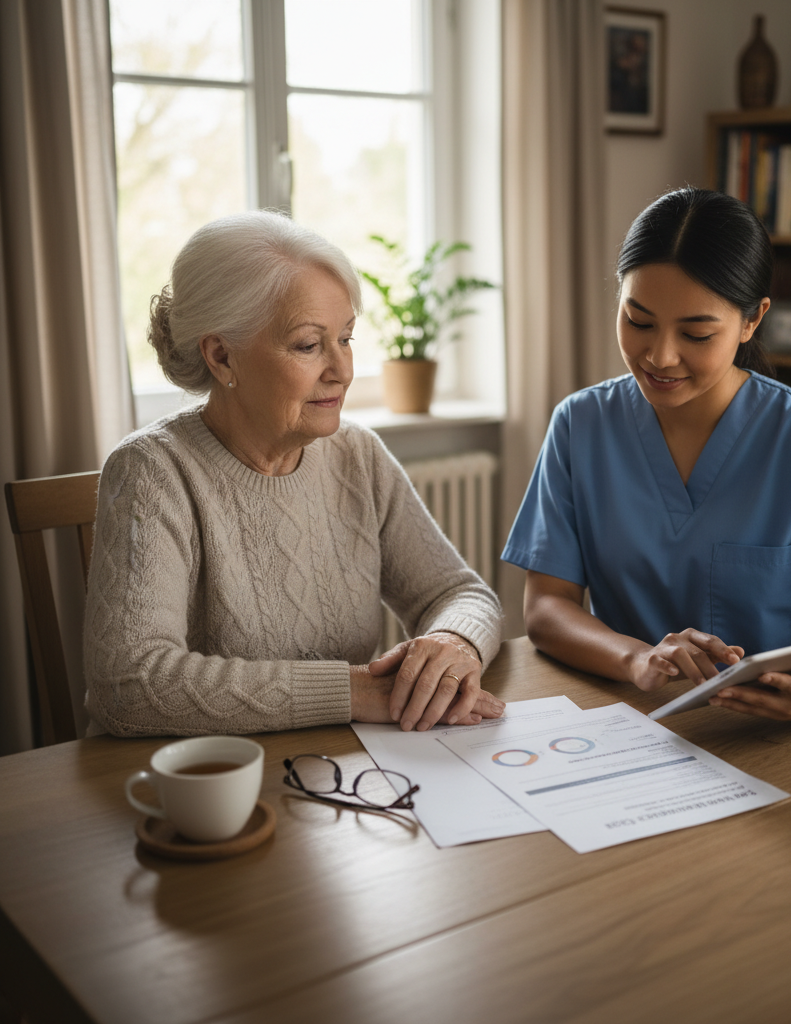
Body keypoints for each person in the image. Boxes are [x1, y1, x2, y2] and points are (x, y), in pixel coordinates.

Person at [502, 188, 791, 722]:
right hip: (635, 719)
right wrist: (637, 658)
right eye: (639, 321)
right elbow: (545, 608)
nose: (660, 356)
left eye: (696, 333)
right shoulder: (580, 425)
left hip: (775, 733)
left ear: (752, 320)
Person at [85, 211, 504, 737]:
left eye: (346, 339)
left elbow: (460, 593)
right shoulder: (151, 472)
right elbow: (128, 684)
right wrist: (354, 691)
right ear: (222, 356)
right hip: (205, 777)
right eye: (309, 345)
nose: (343, 371)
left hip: (343, 763)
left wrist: (453, 643)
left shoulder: (357, 455)